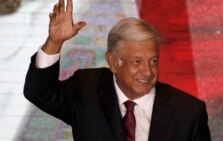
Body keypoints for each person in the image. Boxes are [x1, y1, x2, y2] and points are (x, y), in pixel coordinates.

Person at [23, 0, 211, 141]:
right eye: (136, 62)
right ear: (113, 62)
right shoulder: (88, 91)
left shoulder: (188, 112)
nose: (147, 71)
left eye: (153, 61)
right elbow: (39, 92)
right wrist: (55, 42)